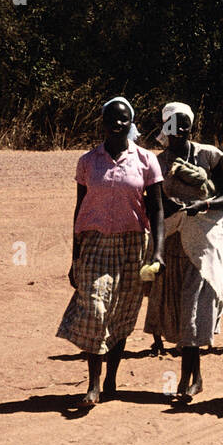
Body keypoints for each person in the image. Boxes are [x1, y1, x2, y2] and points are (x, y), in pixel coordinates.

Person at [56, 96, 164, 408]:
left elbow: (156, 211)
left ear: (131, 123)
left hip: (132, 244)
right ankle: (92, 384)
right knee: (95, 308)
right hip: (94, 243)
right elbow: (79, 208)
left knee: (121, 314)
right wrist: (75, 258)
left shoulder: (146, 160)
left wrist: (157, 253)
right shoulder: (88, 162)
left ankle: (111, 379)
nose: (118, 124)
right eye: (112, 120)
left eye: (124, 120)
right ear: (102, 124)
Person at [142, 102, 223, 400]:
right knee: (179, 310)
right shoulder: (156, 162)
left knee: (191, 306)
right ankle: (194, 376)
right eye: (174, 123)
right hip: (171, 243)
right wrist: (167, 207)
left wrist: (203, 205)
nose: (181, 128)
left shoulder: (208, 155)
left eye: (186, 123)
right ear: (165, 126)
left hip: (203, 243)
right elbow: (151, 204)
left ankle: (188, 379)